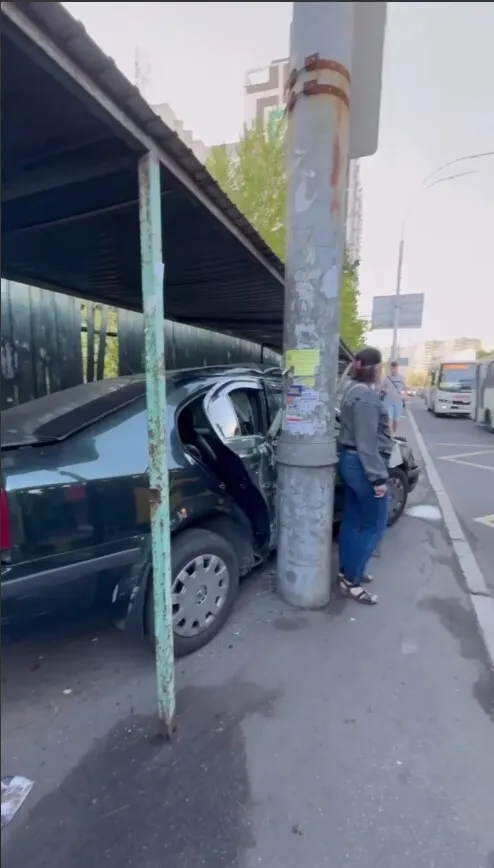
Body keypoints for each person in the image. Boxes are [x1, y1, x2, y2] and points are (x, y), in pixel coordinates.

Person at [337, 347, 393, 604]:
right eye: (380, 367)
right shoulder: (367, 398)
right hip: (365, 465)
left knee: (352, 520)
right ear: (373, 368)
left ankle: (347, 572)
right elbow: (367, 443)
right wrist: (378, 479)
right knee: (375, 526)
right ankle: (352, 582)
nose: (381, 371)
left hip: (349, 462)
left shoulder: (349, 391)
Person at [382, 360, 406, 435]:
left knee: (396, 421)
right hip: (388, 401)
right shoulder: (387, 378)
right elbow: (380, 387)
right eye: (392, 368)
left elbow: (405, 389)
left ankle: (394, 434)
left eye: (395, 368)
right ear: (390, 368)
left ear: (397, 368)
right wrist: (385, 390)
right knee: (389, 419)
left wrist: (404, 395)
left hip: (398, 402)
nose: (393, 370)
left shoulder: (402, 378)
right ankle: (390, 436)